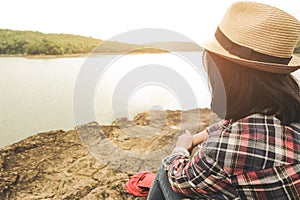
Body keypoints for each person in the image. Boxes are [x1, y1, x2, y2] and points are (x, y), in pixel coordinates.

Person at [147, 1, 300, 199]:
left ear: (224, 75)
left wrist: (181, 148)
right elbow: (242, 124)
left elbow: (180, 179)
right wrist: (200, 135)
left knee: (165, 173)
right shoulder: (284, 109)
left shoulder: (222, 150)